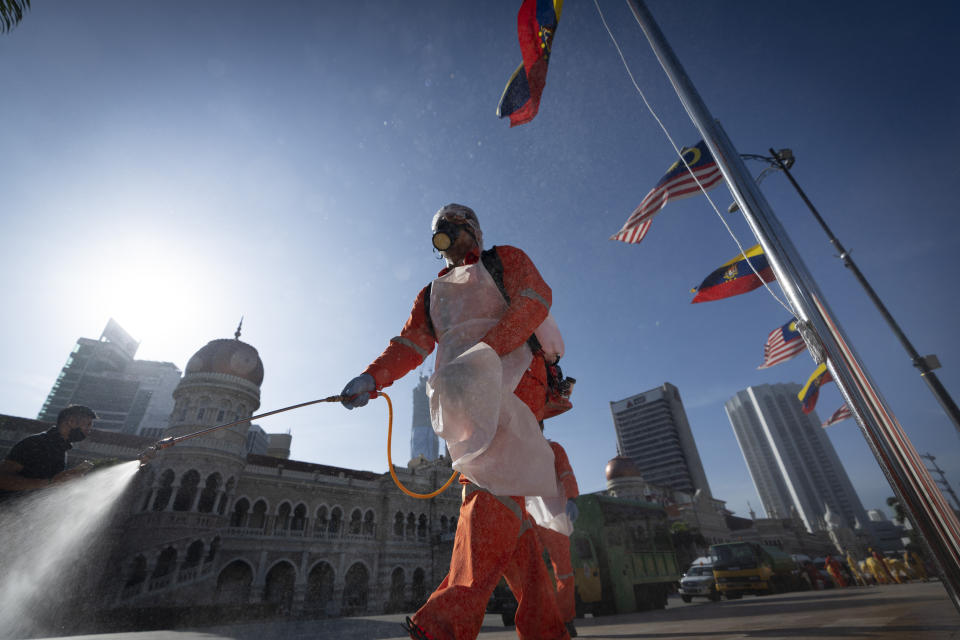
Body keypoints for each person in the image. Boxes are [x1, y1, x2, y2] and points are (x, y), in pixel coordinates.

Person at [340, 203, 569, 640]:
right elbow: (410, 343)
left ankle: (442, 627)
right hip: (463, 398)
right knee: (509, 514)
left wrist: (485, 352)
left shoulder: (506, 262)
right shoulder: (432, 296)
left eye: (457, 225)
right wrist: (372, 377)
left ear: (476, 230)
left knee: (487, 492)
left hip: (516, 386)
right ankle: (547, 631)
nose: (449, 234)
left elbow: (535, 301)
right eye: (441, 230)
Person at [531, 437, 580, 638]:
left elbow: (565, 472)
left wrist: (572, 498)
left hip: (555, 517)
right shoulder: (522, 452)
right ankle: (542, 620)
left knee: (564, 573)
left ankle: (564, 620)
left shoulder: (553, 449)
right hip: (533, 518)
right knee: (532, 573)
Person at [0, 405, 97, 497]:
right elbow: (2, 478)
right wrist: (51, 482)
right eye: (88, 425)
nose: (89, 430)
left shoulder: (61, 450)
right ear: (71, 421)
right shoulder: (36, 442)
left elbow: (49, 485)